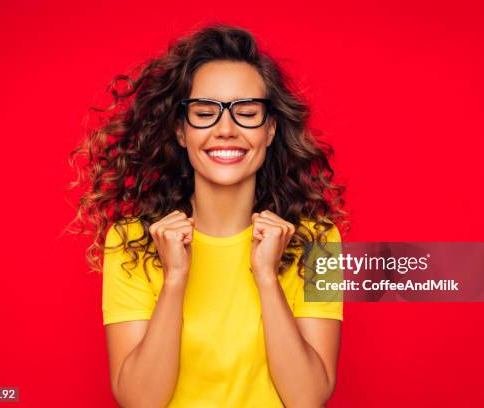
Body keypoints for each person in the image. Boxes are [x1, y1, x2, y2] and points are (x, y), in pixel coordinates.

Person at [67, 24, 348, 408]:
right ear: (181, 131)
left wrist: (267, 277)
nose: (226, 130)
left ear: (270, 130)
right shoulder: (131, 241)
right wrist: (175, 279)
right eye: (205, 113)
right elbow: (138, 402)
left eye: (247, 113)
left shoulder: (319, 243)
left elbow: (309, 399)